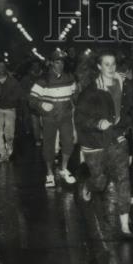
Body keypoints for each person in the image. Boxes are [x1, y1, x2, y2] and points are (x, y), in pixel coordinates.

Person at [75, 50, 133, 238]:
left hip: (116, 137)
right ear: (99, 67)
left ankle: (125, 226)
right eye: (106, 64)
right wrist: (98, 123)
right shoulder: (91, 91)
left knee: (123, 179)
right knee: (100, 183)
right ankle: (89, 185)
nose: (111, 67)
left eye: (113, 63)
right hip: (95, 141)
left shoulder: (125, 84)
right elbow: (80, 117)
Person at [29, 49, 79, 188]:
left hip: (66, 117)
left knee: (69, 143)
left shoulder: (70, 77)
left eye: (62, 62)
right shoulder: (43, 80)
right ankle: (50, 174)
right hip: (49, 119)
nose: (60, 65)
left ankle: (63, 169)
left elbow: (75, 96)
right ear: (51, 63)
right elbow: (31, 100)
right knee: (49, 146)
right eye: (57, 62)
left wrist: (75, 105)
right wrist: (41, 104)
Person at [20, 61, 44, 147]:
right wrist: (28, 97)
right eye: (34, 65)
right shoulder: (26, 78)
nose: (36, 67)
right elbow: (22, 90)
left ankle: (43, 136)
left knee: (43, 122)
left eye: (37, 65)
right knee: (34, 122)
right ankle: (37, 139)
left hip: (43, 104)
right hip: (32, 104)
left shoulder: (44, 77)